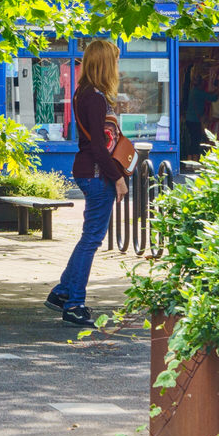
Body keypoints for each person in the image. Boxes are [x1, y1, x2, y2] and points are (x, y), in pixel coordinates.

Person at [47, 38, 129, 326]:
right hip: (96, 174)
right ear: (105, 63)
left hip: (87, 171)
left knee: (88, 237)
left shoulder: (84, 93)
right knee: (92, 238)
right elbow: (97, 146)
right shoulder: (95, 98)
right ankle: (75, 304)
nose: (117, 66)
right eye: (115, 61)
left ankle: (62, 292)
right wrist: (118, 178)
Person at [180, 64, 219, 162]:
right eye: (203, 82)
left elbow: (208, 95)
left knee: (193, 140)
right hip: (195, 120)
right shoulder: (198, 92)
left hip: (190, 119)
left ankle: (191, 161)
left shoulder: (193, 91)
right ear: (200, 83)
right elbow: (213, 98)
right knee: (195, 140)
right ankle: (193, 161)